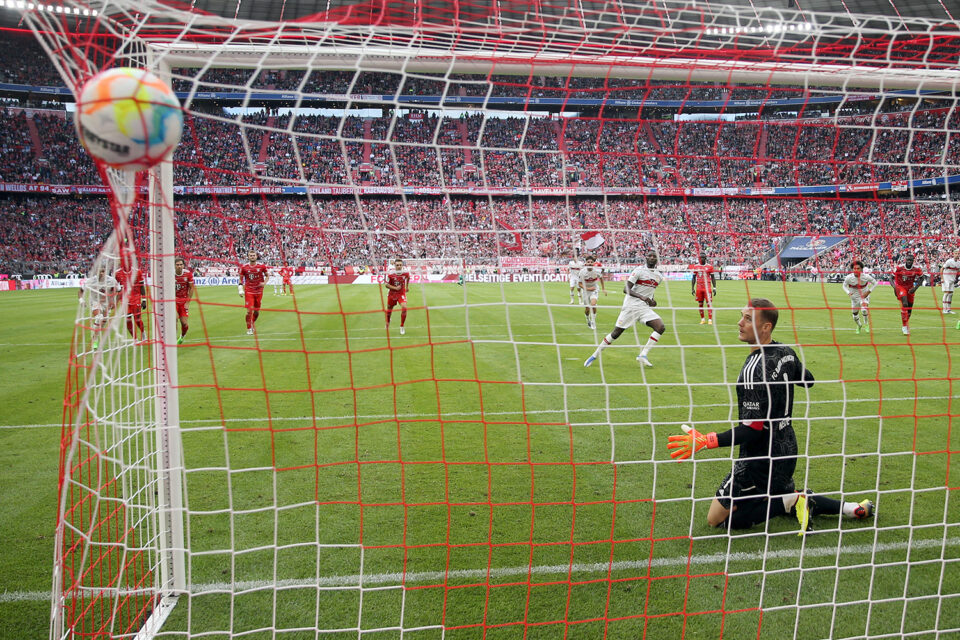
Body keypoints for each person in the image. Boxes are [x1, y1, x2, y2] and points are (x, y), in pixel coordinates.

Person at [666, 298, 875, 534]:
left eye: (747, 319)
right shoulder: (785, 351)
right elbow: (809, 381)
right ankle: (852, 508)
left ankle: (792, 502)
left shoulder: (753, 369)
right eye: (741, 316)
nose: (739, 323)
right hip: (787, 448)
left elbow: (751, 429)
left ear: (766, 327)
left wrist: (707, 440)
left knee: (717, 519)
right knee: (780, 493)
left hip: (760, 458)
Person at [584, 249, 665, 368]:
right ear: (646, 258)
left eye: (654, 256)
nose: (652, 257)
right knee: (616, 333)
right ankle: (594, 355)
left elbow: (650, 294)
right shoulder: (639, 271)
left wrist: (652, 301)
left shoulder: (659, 276)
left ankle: (643, 355)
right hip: (630, 307)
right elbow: (626, 289)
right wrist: (641, 297)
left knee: (660, 327)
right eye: (650, 256)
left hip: (643, 308)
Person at [79, 266, 118, 349]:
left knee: (103, 322)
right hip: (95, 301)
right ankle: (95, 340)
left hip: (107, 303)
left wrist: (113, 300)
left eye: (103, 271)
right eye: (99, 271)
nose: (101, 273)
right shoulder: (91, 280)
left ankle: (95, 335)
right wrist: (81, 300)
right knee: (99, 318)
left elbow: (117, 290)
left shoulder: (111, 280)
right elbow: (81, 290)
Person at [115, 262, 148, 343]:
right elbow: (116, 287)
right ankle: (135, 339)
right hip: (125, 300)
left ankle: (143, 335)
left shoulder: (137, 272)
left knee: (137, 319)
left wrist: (144, 300)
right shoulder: (117, 273)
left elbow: (142, 286)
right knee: (128, 320)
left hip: (136, 298)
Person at [842, 260, 877, 334]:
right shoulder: (849, 278)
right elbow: (844, 286)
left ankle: (866, 323)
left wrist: (868, 291)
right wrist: (848, 293)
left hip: (864, 296)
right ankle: (859, 325)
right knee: (855, 315)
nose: (856, 270)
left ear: (861, 269)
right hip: (854, 298)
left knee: (864, 309)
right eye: (854, 268)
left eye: (858, 268)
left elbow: (875, 283)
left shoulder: (866, 276)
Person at [238, 250, 268, 335]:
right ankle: (249, 328)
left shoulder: (262, 266)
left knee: (256, 311)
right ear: (248, 257)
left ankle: (251, 322)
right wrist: (240, 289)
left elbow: (267, 276)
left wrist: (264, 283)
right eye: (250, 255)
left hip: (259, 291)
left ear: (256, 256)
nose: (252, 256)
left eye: (253, 255)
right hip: (249, 291)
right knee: (249, 311)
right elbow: (241, 279)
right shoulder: (244, 267)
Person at [893, 255, 924, 336]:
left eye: (911, 260)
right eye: (908, 260)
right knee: (905, 304)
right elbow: (890, 277)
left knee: (909, 309)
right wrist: (895, 287)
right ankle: (904, 327)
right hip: (901, 287)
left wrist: (915, 288)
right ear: (905, 260)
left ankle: (905, 323)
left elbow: (922, 278)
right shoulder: (899, 268)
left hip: (910, 288)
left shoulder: (917, 269)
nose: (909, 261)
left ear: (913, 260)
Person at [577, 255, 606, 329]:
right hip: (586, 291)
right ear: (586, 263)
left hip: (594, 289)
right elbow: (579, 284)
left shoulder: (597, 271)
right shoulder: (582, 272)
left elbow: (601, 278)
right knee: (587, 309)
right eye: (588, 262)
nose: (590, 263)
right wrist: (587, 288)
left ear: (594, 263)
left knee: (593, 304)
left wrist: (603, 288)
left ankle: (593, 322)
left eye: (591, 262)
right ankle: (587, 319)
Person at [689, 252, 717, 325]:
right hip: (699, 287)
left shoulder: (710, 267)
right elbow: (693, 278)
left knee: (709, 303)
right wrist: (692, 288)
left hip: (707, 287)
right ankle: (703, 319)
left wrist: (714, 288)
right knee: (700, 303)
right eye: (699, 258)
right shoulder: (696, 267)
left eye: (702, 258)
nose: (700, 259)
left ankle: (710, 320)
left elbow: (713, 278)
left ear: (705, 258)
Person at [385, 257, 411, 335]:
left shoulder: (405, 272)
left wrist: (407, 287)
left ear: (402, 265)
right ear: (395, 266)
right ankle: (388, 322)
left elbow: (408, 278)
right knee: (389, 310)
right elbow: (386, 285)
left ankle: (402, 326)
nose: (399, 266)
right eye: (397, 265)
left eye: (400, 265)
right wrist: (395, 288)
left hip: (401, 293)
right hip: (392, 294)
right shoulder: (390, 273)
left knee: (404, 307)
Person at [174, 257, 195, 345]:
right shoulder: (170, 274)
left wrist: (187, 302)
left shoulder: (188, 274)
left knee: (184, 323)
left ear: (183, 265)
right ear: (174, 266)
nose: (179, 266)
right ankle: (173, 339)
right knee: (174, 319)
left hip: (183, 301)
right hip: (173, 300)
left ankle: (182, 337)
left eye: (181, 265)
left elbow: (191, 288)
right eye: (177, 265)